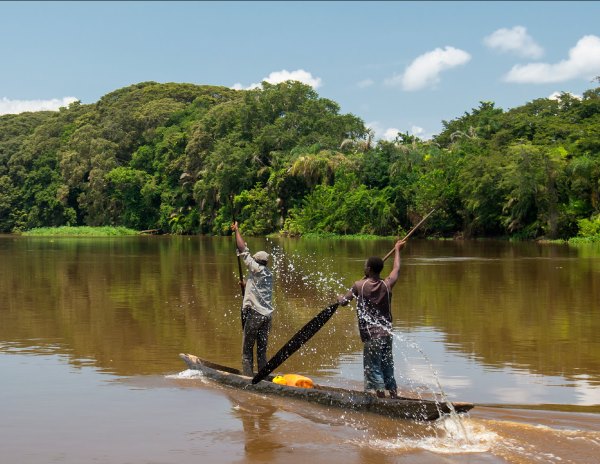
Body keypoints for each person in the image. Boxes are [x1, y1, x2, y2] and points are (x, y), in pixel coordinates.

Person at [337, 239, 406, 399]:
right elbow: (396, 269)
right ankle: (394, 396)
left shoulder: (359, 285)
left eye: (365, 265)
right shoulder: (387, 284)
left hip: (372, 335)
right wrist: (397, 250)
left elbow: (343, 302)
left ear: (368, 269)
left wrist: (339, 297)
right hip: (387, 334)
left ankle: (381, 400)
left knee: (373, 367)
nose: (364, 267)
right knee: (387, 365)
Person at [231, 221, 274, 377]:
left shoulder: (255, 268)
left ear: (256, 261)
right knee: (261, 351)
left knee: (247, 350)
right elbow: (259, 291)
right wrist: (246, 285)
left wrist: (237, 230)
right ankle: (263, 377)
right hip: (267, 317)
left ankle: (248, 380)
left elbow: (243, 250)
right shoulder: (268, 274)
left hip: (255, 314)